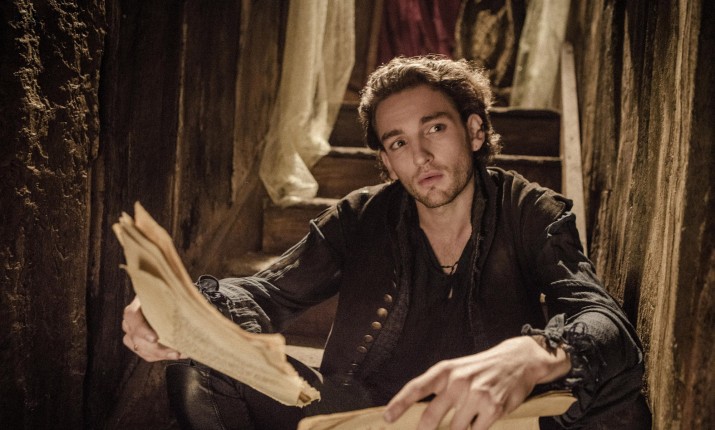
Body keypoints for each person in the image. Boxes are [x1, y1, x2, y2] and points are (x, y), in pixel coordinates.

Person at [122, 56, 650, 429]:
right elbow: (266, 294)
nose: (419, 155)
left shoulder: (528, 209)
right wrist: (181, 309)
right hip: (366, 411)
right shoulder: (360, 216)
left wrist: (536, 352)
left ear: (474, 131)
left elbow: (605, 321)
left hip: (485, 417)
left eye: (434, 129)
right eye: (398, 142)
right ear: (387, 161)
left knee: (618, 398)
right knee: (199, 366)